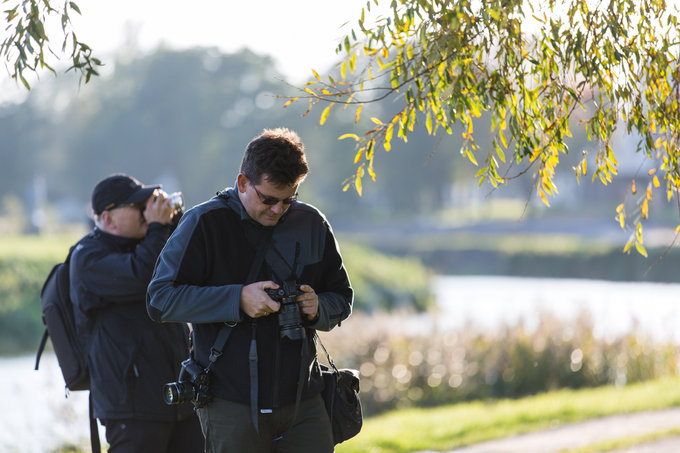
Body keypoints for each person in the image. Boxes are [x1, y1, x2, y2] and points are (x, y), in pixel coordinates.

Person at [147, 127, 353, 453]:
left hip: (305, 402)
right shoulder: (203, 223)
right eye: (269, 199)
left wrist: (318, 307)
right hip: (230, 403)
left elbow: (342, 296)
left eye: (289, 200)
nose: (278, 210)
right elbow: (160, 300)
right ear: (243, 183)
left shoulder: (313, 223)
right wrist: (237, 299)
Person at [70, 173, 204, 453]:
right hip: (131, 409)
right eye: (136, 207)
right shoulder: (88, 257)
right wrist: (157, 227)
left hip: (179, 401)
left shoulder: (149, 244)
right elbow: (146, 276)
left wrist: (173, 223)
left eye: (147, 203)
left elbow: (193, 264)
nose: (146, 211)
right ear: (107, 218)